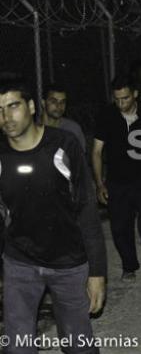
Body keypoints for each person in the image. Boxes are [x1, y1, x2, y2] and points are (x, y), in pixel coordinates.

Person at [0, 79, 107, 353]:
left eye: (13, 106)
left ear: (31, 106)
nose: (6, 116)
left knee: (78, 346)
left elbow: (87, 211)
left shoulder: (63, 145)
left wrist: (97, 273)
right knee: (17, 347)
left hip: (68, 264)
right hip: (19, 263)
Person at [92, 75, 141, 287]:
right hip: (117, 180)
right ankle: (129, 266)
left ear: (135, 94)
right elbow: (96, 151)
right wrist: (100, 183)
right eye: (117, 99)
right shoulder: (106, 115)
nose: (121, 103)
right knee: (120, 227)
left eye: (125, 98)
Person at [40, 83, 86, 152]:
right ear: (43, 103)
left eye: (62, 102)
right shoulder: (33, 128)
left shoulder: (73, 129)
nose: (59, 106)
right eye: (53, 101)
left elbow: (80, 156)